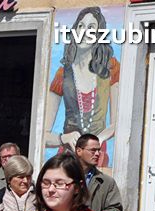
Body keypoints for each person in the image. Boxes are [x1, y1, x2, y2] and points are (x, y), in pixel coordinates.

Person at [44, 6, 119, 166]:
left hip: (97, 154)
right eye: (80, 26)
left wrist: (98, 139)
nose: (84, 32)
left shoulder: (111, 68)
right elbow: (43, 134)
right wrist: (63, 138)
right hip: (68, 155)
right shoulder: (62, 74)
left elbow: (117, 124)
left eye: (91, 28)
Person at [74, 133, 123, 211]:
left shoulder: (107, 182)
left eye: (98, 150)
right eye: (93, 150)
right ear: (79, 151)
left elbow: (115, 210)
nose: (97, 154)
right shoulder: (64, 177)